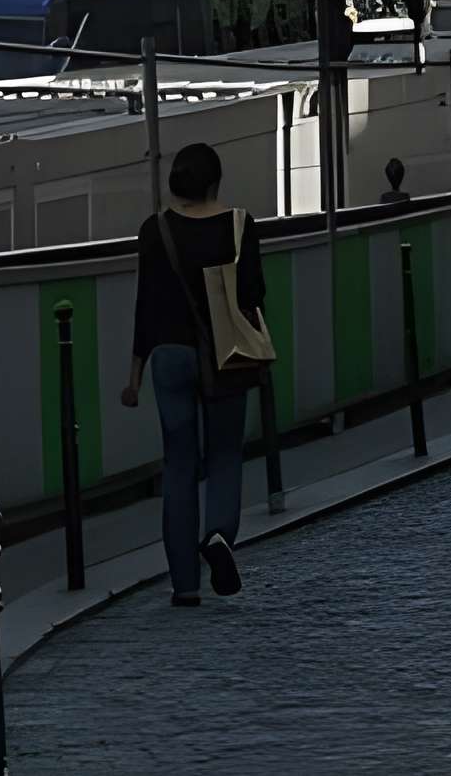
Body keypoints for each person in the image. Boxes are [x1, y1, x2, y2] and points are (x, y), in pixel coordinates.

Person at [120, 141, 267, 607]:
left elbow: (145, 305)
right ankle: (219, 535)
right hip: (225, 355)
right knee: (224, 454)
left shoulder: (154, 230)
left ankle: (184, 584)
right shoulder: (240, 226)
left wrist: (134, 374)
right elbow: (253, 295)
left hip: (167, 357)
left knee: (179, 464)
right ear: (214, 181)